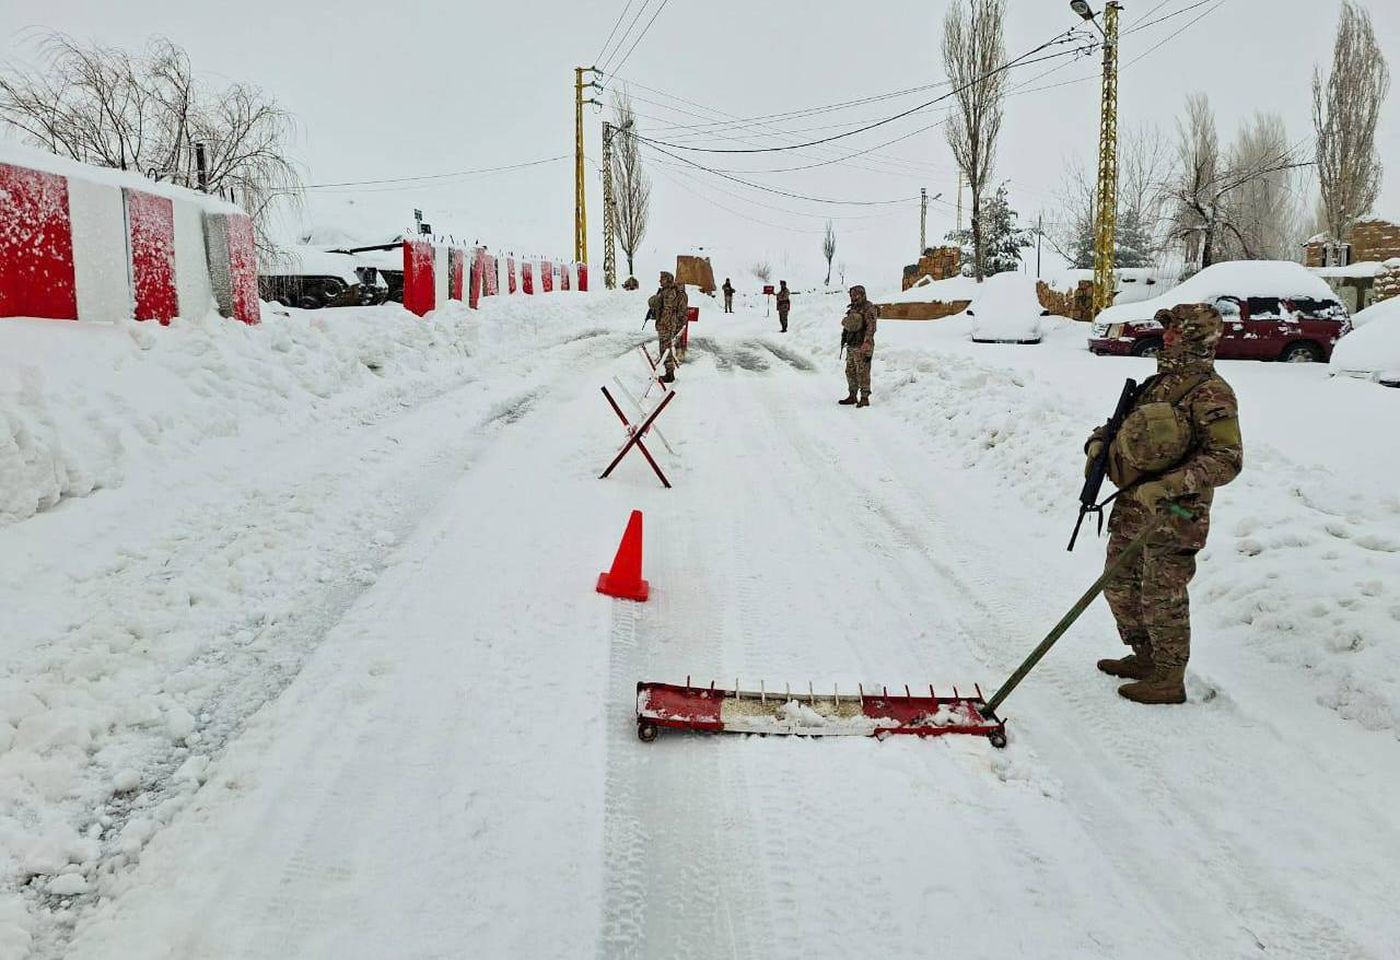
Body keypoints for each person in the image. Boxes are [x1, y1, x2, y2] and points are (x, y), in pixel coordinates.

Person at [1087, 303, 1243, 704]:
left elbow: (1227, 459)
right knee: (1120, 585)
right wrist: (1098, 441)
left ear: (1194, 337)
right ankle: (1146, 657)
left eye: (1174, 330)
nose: (1166, 336)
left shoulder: (1211, 392)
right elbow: (1123, 426)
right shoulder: (1159, 383)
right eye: (1167, 329)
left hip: (1176, 513)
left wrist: (1170, 486)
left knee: (1162, 595)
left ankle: (1169, 679)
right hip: (1133, 504)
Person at [838, 285, 878, 407]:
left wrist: (866, 343)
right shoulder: (854, 308)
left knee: (863, 372)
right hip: (852, 345)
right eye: (851, 295)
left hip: (863, 346)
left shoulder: (868, 308)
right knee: (850, 371)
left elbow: (871, 328)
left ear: (862, 295)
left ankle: (864, 398)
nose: (853, 297)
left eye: (855, 295)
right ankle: (852, 395)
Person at [647, 270, 688, 383]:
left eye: (662, 279)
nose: (660, 281)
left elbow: (667, 311)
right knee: (665, 348)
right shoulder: (666, 291)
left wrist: (663, 324)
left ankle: (670, 374)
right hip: (666, 324)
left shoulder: (669, 293)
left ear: (668, 280)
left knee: (665, 349)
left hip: (666, 325)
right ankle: (669, 372)